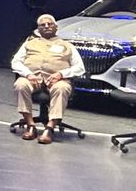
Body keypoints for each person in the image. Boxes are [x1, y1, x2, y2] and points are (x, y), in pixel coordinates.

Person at [11, 14, 85, 143]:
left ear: (56, 27)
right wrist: (28, 74)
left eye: (50, 24)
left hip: (57, 80)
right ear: (38, 29)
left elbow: (80, 67)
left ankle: (49, 128)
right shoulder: (29, 44)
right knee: (20, 85)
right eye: (42, 25)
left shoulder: (67, 46)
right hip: (32, 78)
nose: (46, 26)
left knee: (62, 88)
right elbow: (15, 62)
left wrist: (61, 74)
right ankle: (30, 125)